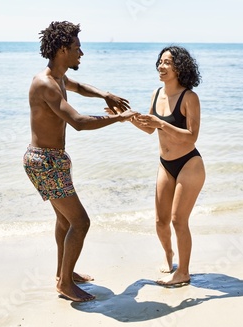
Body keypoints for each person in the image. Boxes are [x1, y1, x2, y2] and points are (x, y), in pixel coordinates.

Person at [23, 21, 136, 302]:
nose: (81, 53)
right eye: (77, 48)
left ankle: (65, 273)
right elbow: (78, 122)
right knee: (81, 222)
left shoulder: (60, 78)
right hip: (44, 161)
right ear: (63, 50)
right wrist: (117, 118)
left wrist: (104, 94)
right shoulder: (45, 83)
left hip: (53, 159)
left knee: (64, 220)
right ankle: (64, 284)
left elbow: (81, 86)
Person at [128, 45, 205, 286]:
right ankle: (168, 256)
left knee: (178, 220)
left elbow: (191, 136)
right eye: (160, 62)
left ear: (179, 67)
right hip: (165, 164)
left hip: (189, 164)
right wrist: (126, 117)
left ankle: (183, 271)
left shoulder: (189, 97)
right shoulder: (156, 94)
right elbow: (150, 128)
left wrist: (161, 124)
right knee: (161, 221)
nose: (162, 66)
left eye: (168, 62)